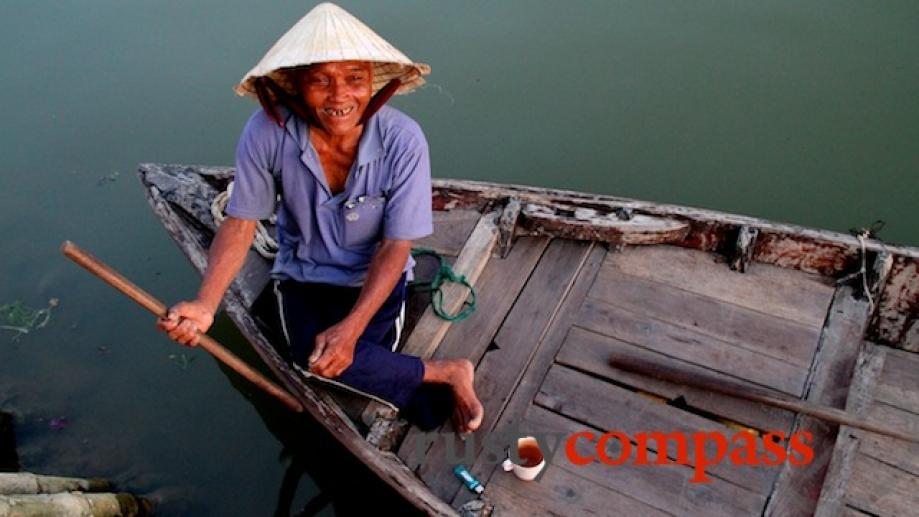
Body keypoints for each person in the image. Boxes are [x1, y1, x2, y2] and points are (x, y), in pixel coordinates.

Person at [156, 3, 483, 433]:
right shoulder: (265, 133)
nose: (340, 96)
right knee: (314, 360)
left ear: (372, 83)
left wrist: (351, 328)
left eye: (354, 79)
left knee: (347, 357)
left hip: (373, 278)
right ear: (295, 86)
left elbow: (395, 245)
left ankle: (441, 371)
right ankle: (443, 371)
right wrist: (205, 304)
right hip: (305, 273)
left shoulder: (403, 140)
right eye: (320, 80)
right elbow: (241, 223)